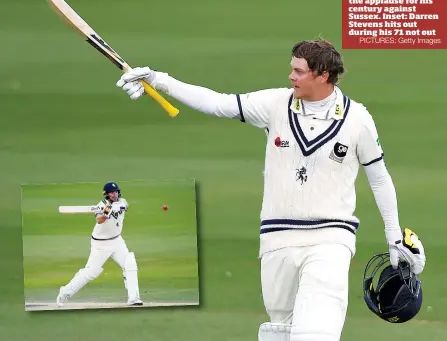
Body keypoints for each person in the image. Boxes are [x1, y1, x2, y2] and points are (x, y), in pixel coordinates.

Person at [116, 39, 425, 340]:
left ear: (323, 75)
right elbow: (217, 103)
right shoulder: (275, 104)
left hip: (330, 238)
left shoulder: (357, 119)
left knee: (316, 332)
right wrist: (158, 80)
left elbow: (380, 178)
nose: (291, 76)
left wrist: (393, 235)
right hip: (276, 240)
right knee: (282, 331)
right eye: (292, 69)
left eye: (300, 71)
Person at [56, 182, 143, 307]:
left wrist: (119, 207)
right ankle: (65, 292)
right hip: (100, 244)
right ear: (106, 194)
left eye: (116, 192)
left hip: (117, 241)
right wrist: (106, 212)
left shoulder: (122, 201)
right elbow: (99, 220)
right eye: (111, 193)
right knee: (91, 272)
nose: (114, 194)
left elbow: (126, 205)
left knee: (130, 264)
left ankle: (134, 298)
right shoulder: (101, 205)